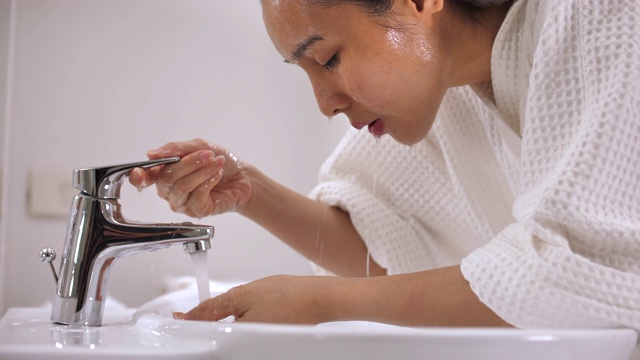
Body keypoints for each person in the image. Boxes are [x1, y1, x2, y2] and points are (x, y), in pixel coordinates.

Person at [130, 0, 640, 330]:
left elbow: (577, 271)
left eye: (328, 59)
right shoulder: (442, 94)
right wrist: (252, 193)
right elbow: (386, 247)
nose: (324, 103)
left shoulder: (603, 15)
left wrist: (322, 304)